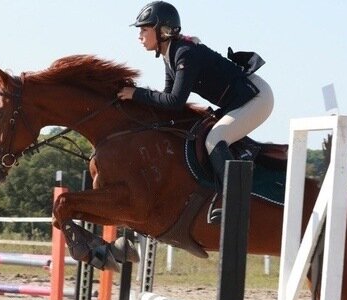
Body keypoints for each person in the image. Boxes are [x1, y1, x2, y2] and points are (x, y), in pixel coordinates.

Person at [117, 1, 274, 223]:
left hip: (257, 97)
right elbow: (167, 98)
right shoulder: (170, 54)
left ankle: (235, 206)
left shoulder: (184, 54)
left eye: (144, 29)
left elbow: (174, 101)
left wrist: (136, 94)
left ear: (162, 30)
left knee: (214, 139)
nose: (140, 36)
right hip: (240, 99)